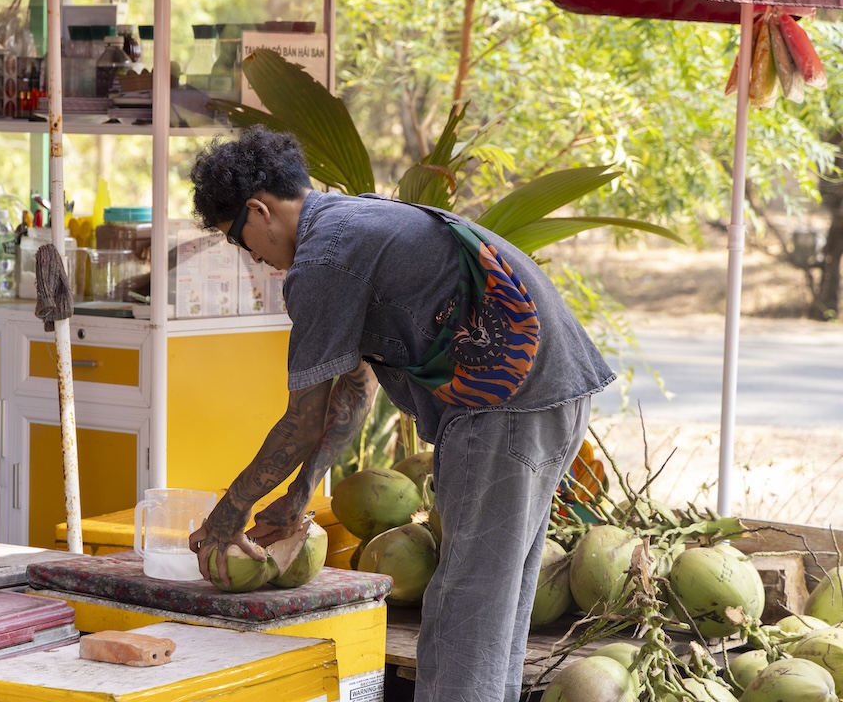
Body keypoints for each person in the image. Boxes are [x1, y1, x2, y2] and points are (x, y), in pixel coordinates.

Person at [186, 125, 615, 702]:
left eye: (240, 241)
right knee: (493, 594)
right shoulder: (349, 221)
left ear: (259, 211)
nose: (253, 259)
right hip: (546, 390)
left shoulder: (323, 261)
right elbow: (352, 392)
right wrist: (300, 493)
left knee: (469, 601)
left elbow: (301, 422)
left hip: (509, 404)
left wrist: (228, 514)